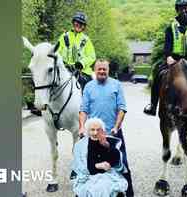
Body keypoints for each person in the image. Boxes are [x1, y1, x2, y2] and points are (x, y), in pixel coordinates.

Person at [79, 59, 134, 197]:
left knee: (121, 164)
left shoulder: (116, 85)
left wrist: (116, 127)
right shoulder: (88, 87)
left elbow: (122, 108)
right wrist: (81, 127)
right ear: (95, 70)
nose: (102, 71)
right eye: (99, 69)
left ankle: (128, 194)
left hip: (113, 133)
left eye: (105, 69)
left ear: (108, 70)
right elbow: (83, 110)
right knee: (90, 166)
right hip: (94, 135)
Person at [72, 118, 128, 197]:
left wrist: (107, 145)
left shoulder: (109, 141)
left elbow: (116, 161)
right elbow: (81, 166)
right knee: (95, 189)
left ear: (102, 130)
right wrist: (97, 165)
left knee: (107, 187)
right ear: (87, 130)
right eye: (92, 130)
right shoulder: (80, 145)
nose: (95, 133)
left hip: (108, 175)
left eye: (98, 130)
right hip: (88, 177)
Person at [56, 11, 96, 91]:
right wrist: (62, 63)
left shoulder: (86, 40)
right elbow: (57, 52)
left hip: (82, 71)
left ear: (84, 26)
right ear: (73, 23)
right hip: (65, 69)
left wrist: (81, 64)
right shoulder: (64, 36)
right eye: (77, 22)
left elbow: (92, 56)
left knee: (92, 88)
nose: (78, 24)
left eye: (81, 23)